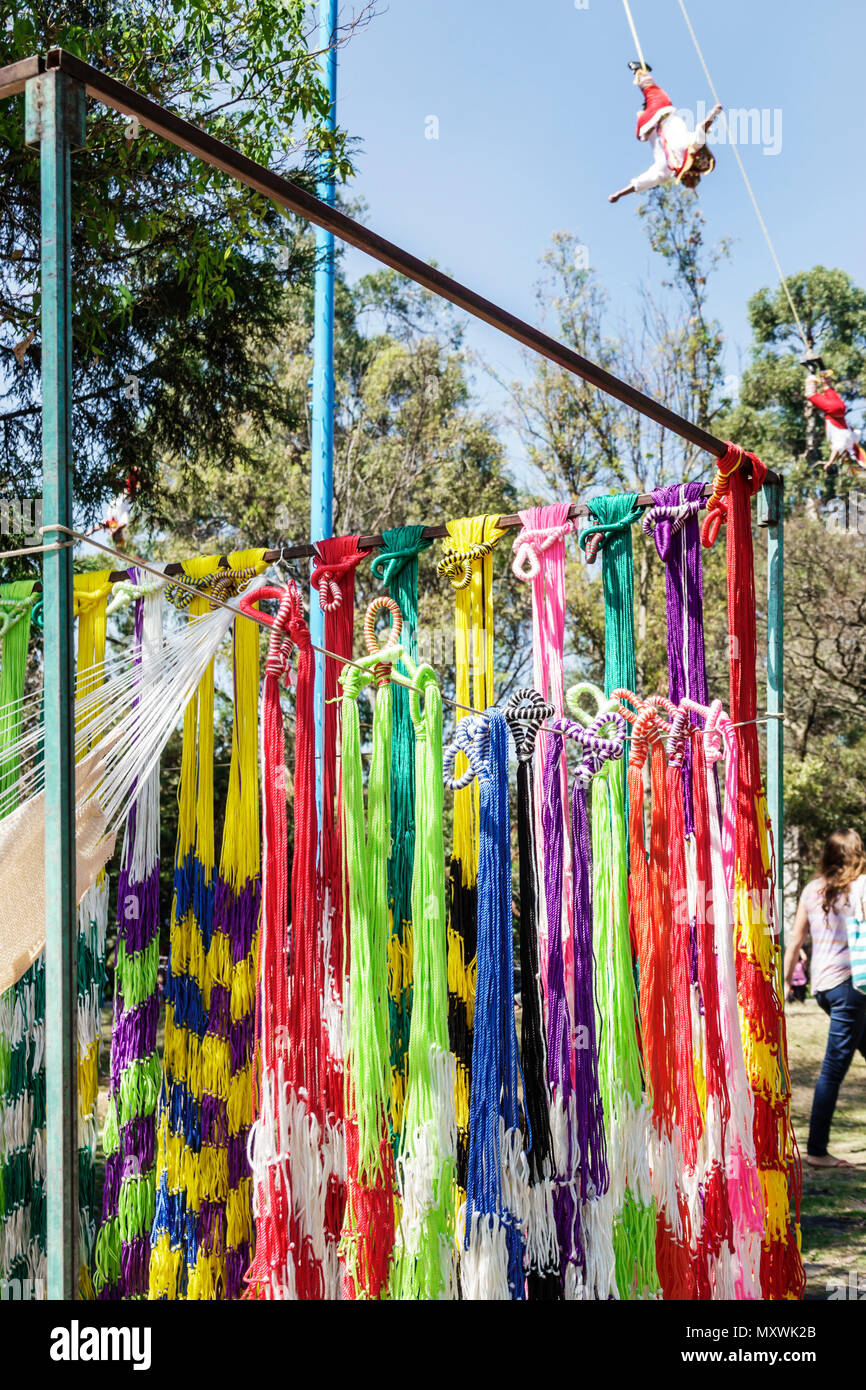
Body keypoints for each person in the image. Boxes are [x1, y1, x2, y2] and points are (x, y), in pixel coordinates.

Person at [784, 829, 866, 1168]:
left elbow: (795, 941)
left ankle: (818, 1147)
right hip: (851, 987)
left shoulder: (810, 890)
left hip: (825, 989)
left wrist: (786, 983)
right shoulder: (860, 887)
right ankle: (817, 1150)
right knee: (833, 1069)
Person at [609, 62, 722, 204]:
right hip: (644, 127)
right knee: (652, 97)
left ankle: (639, 70)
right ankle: (644, 96)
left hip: (660, 112)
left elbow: (703, 128)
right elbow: (641, 182)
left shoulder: (691, 148)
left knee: (655, 93)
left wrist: (714, 113)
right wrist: (618, 194)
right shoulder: (667, 172)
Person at [805, 370, 866, 472]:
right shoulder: (842, 443)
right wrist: (829, 463)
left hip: (841, 408)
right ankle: (811, 371)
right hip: (833, 409)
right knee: (810, 394)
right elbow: (836, 450)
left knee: (827, 388)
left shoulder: (853, 439)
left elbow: (857, 432)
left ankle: (823, 372)